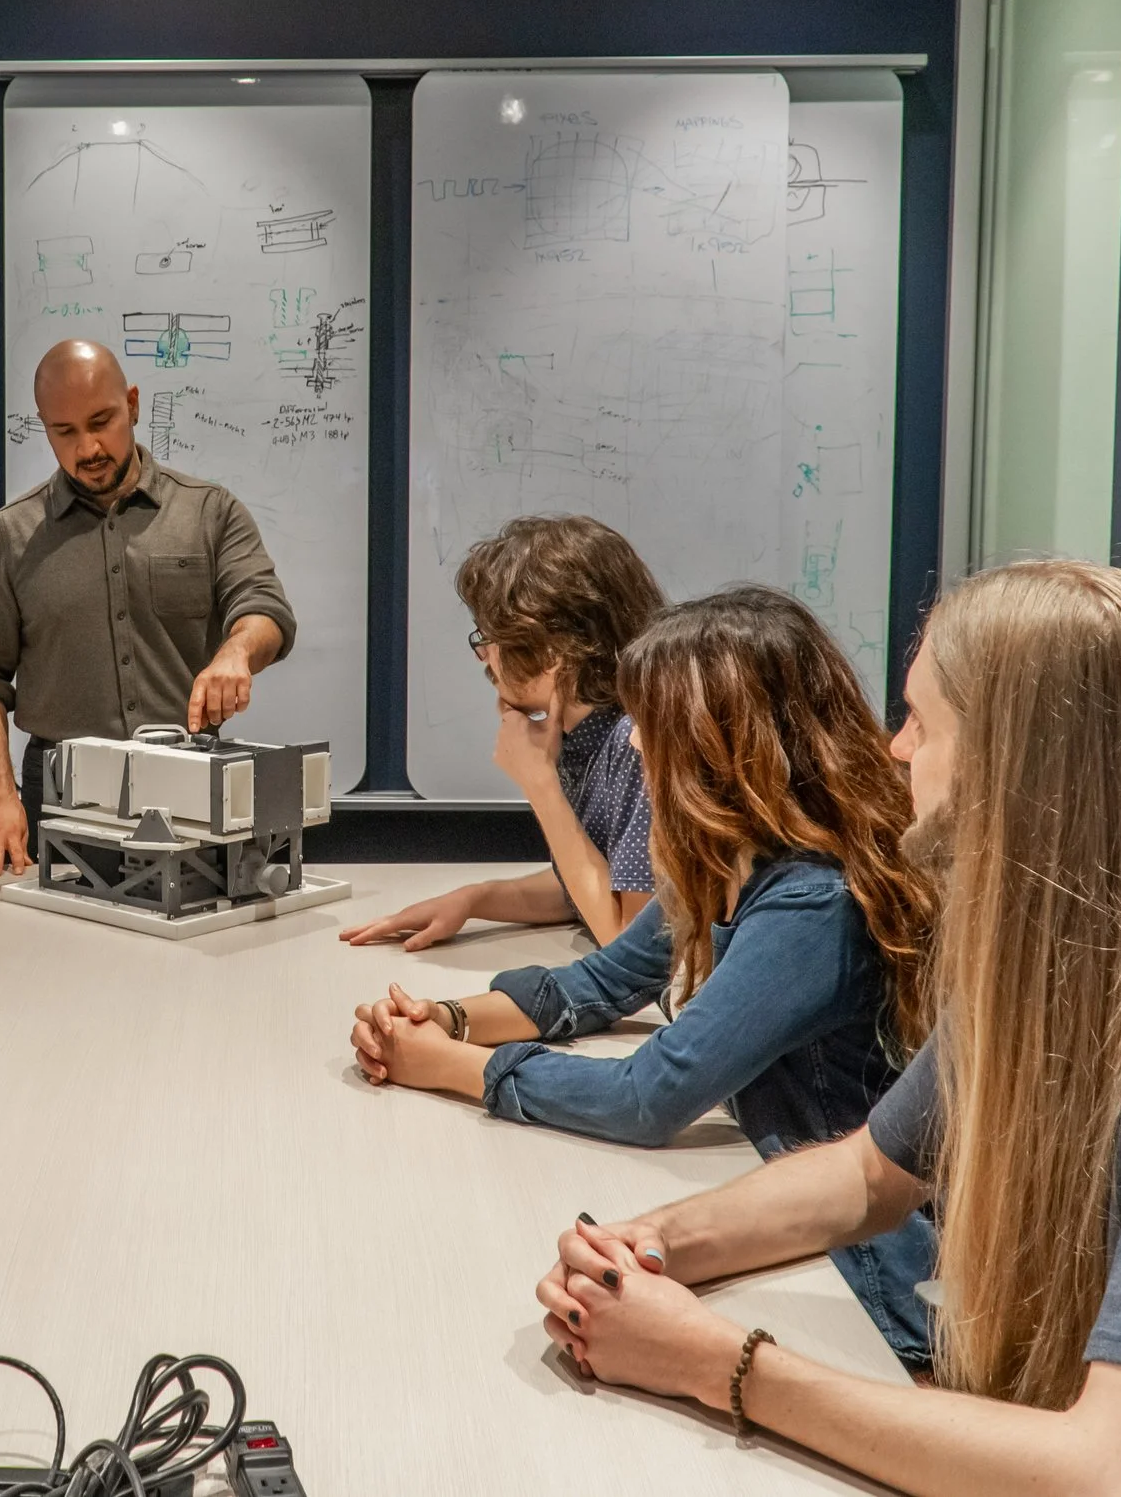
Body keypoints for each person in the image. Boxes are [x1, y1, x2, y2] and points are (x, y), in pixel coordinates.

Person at [536, 561, 1121, 1493]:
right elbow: (868, 1174)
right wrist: (642, 1248)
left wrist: (718, 1363)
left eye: (922, 721)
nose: (894, 750)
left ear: (1017, 762)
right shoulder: (1059, 969)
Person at [353, 586, 942, 1368]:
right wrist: (440, 1018)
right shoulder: (731, 856)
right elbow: (595, 984)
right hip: (775, 1229)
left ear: (721, 743)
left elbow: (649, 1096)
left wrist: (455, 1069)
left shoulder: (813, 901)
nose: (633, 748)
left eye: (650, 727)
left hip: (857, 1285)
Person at [0, 339, 297, 878]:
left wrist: (236, 653)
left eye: (101, 421)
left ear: (132, 404)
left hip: (190, 787)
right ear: (45, 429)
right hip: (62, 796)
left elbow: (264, 606)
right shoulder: (9, 538)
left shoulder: (209, 512)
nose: (88, 448)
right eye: (65, 432)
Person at [340, 515, 664, 950]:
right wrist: (475, 899)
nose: (484, 657)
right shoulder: (590, 734)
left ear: (553, 651)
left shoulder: (636, 742)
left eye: (490, 637)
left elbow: (629, 942)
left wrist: (539, 781)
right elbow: (594, 885)